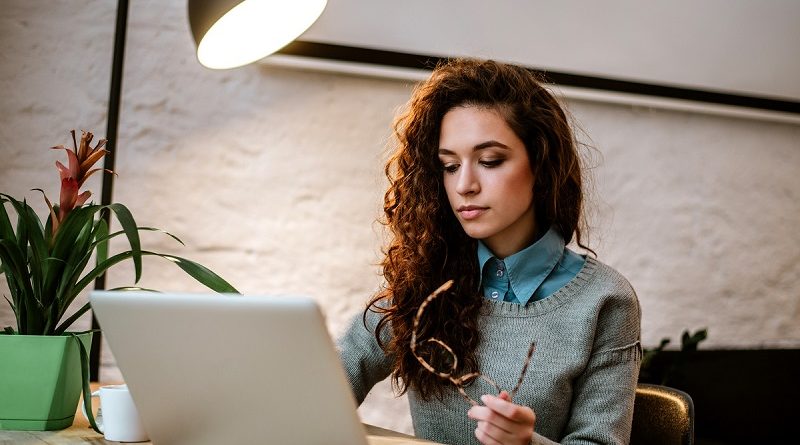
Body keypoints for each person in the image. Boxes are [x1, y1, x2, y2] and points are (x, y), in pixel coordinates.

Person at [337, 58, 641, 445]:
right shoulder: (425, 277)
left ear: (541, 165)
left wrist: (528, 443)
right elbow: (326, 384)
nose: (464, 184)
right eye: (449, 166)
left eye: (490, 161)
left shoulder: (605, 301)